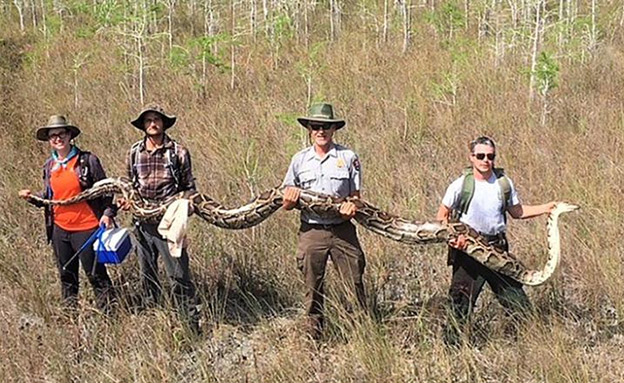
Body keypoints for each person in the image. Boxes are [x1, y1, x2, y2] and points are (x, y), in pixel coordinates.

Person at [436, 136, 556, 344]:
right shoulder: (460, 185)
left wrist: (547, 208)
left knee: (517, 301)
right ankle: (451, 353)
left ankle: (531, 343)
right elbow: (442, 215)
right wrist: (455, 239)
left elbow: (517, 212)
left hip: (497, 250)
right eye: (480, 156)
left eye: (490, 156)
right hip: (468, 252)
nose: (485, 160)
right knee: (460, 305)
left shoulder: (503, 183)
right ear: (471, 157)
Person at [282, 103, 367, 340]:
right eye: (316, 126)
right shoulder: (299, 160)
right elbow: (286, 202)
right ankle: (313, 337)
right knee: (312, 286)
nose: (321, 131)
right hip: (312, 230)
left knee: (354, 283)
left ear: (333, 129)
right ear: (309, 129)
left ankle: (361, 335)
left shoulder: (348, 157)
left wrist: (353, 206)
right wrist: (289, 199)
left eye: (326, 126)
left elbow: (357, 199)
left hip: (342, 230)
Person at [18, 115, 116, 313]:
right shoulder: (49, 166)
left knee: (95, 273)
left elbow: (107, 190)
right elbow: (50, 197)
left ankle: (110, 315)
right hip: (60, 229)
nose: (57, 138)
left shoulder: (87, 160)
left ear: (70, 135)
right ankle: (70, 315)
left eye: (61, 133)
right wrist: (32, 198)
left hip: (87, 227)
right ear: (49, 140)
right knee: (66, 274)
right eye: (52, 135)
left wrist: (107, 213)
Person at [118, 104, 200, 333]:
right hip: (142, 224)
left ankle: (190, 324)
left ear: (163, 123)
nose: (153, 124)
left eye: (157, 119)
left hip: (170, 223)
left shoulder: (178, 151)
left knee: (178, 275)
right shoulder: (134, 152)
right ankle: (154, 321)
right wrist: (125, 202)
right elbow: (129, 185)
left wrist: (184, 205)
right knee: (147, 274)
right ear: (143, 125)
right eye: (148, 120)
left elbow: (189, 188)